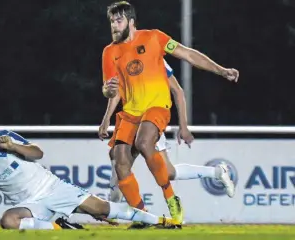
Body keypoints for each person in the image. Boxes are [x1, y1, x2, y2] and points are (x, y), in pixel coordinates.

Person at [101, 1, 239, 224]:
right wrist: (106, 107)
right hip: (131, 114)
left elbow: (183, 72)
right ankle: (141, 215)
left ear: (131, 22)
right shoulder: (110, 52)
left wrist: (221, 71)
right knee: (121, 161)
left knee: (143, 144)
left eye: (119, 21)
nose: (114, 26)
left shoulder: (154, 41)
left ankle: (168, 199)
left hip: (156, 110)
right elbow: (111, 89)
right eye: (112, 22)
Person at [0, 119, 180, 230]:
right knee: (8, 221)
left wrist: (13, 146)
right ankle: (60, 226)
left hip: (53, 187)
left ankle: (163, 221)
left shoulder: (3, 138)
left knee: (103, 210)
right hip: (29, 204)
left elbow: (38, 153)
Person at [98, 60, 234, 228]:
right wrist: (106, 119)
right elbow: (116, 91)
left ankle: (216, 172)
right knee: (118, 161)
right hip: (131, 118)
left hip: (150, 120)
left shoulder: (153, 56)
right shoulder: (120, 57)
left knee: (165, 171)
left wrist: (183, 126)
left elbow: (177, 90)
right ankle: (119, 209)